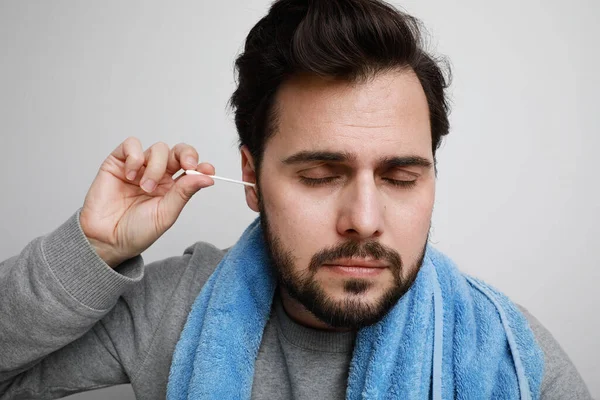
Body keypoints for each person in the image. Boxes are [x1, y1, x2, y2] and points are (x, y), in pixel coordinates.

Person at [0, 0, 593, 399]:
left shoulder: (509, 355)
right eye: (318, 176)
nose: (364, 220)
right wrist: (91, 251)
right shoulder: (168, 313)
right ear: (251, 178)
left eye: (401, 178)